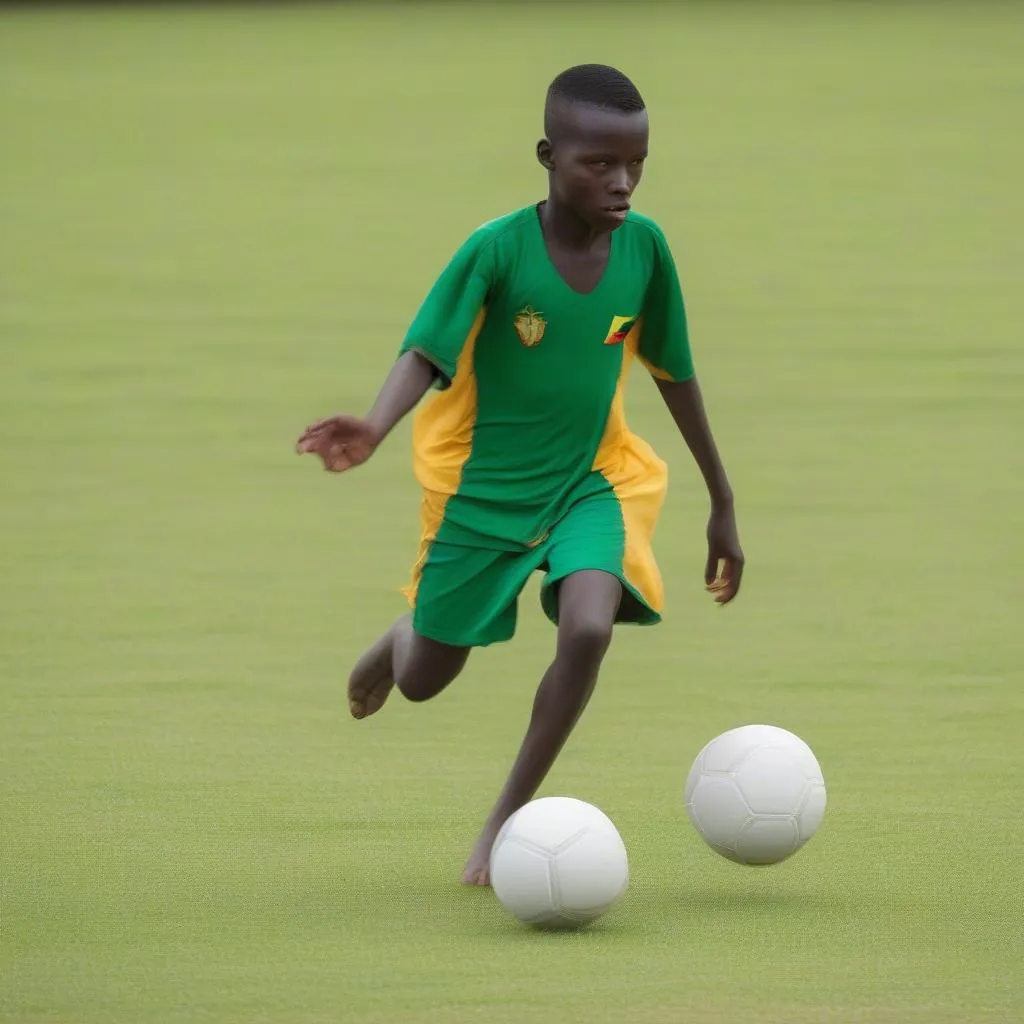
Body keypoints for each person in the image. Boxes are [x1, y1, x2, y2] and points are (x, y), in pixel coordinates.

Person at [297, 64, 744, 886]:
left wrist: (722, 498)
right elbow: (428, 349)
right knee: (428, 679)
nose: (622, 182)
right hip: (485, 495)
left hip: (590, 480)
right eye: (598, 164)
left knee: (587, 627)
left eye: (636, 162)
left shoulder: (644, 250)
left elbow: (675, 371)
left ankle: (502, 827)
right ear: (548, 154)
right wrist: (373, 422)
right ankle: (400, 641)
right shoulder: (496, 250)